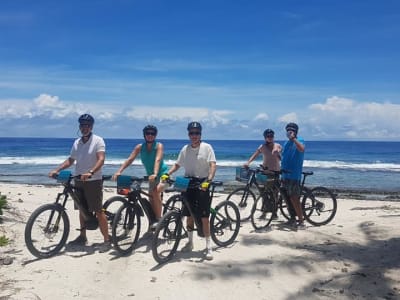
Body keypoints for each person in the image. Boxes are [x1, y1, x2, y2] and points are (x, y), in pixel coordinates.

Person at [49, 114, 111, 252]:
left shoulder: (98, 140)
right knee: (81, 209)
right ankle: (82, 236)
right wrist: (57, 169)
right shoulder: (77, 142)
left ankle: (107, 240)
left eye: (87, 125)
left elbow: (101, 159)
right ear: (80, 126)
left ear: (92, 126)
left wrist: (91, 172)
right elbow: (71, 160)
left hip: (93, 181)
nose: (85, 128)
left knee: (98, 210)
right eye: (82, 125)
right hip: (78, 179)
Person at [162, 121, 216, 260]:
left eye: (197, 133)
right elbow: (177, 164)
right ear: (188, 134)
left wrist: (208, 180)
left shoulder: (207, 147)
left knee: (204, 216)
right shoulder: (185, 149)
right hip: (188, 181)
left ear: (200, 134)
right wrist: (168, 174)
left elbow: (212, 165)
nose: (194, 135)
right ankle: (190, 242)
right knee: (188, 214)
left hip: (202, 182)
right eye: (192, 133)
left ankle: (208, 246)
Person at [112, 125, 168, 227]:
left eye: (152, 133)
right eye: (148, 133)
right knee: (151, 198)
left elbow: (158, 160)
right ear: (144, 135)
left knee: (155, 192)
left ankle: (159, 220)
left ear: (155, 135)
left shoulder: (159, 146)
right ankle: (153, 221)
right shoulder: (139, 147)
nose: (150, 135)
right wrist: (119, 171)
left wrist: (155, 173)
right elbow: (130, 159)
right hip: (151, 177)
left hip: (163, 175)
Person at [244, 128, 282, 218]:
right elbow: (255, 155)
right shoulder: (262, 147)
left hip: (275, 171)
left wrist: (277, 153)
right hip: (265, 172)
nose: (270, 138)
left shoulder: (277, 146)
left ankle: (274, 213)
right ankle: (264, 212)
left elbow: (280, 158)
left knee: (275, 193)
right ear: (265, 137)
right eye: (268, 136)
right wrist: (248, 162)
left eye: (271, 136)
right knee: (263, 192)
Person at [281, 122, 306, 229]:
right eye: (288, 131)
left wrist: (294, 139)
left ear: (295, 132)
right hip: (284, 175)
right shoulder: (286, 143)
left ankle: (301, 222)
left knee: (294, 198)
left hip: (294, 175)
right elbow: (283, 157)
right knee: (287, 198)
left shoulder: (300, 140)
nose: (289, 132)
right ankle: (292, 218)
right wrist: (277, 154)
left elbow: (302, 149)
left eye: (291, 131)